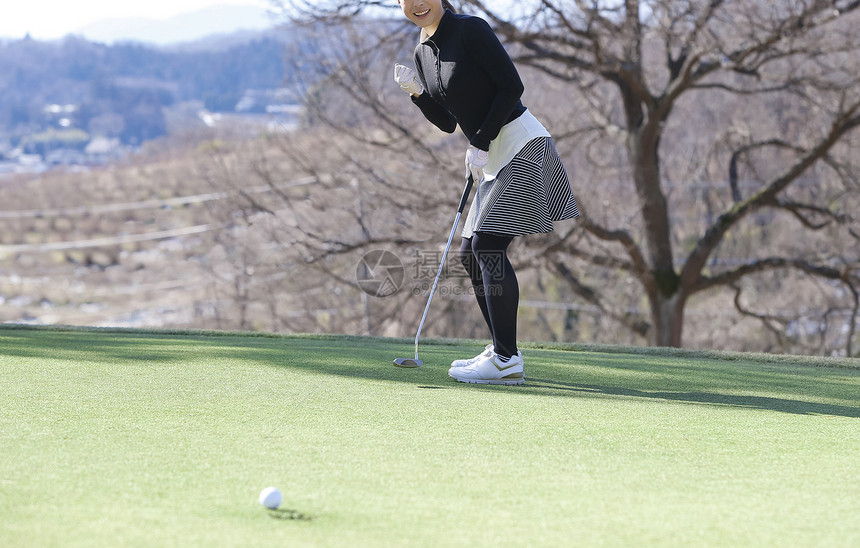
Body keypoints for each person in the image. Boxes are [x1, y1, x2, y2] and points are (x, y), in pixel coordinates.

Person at [394, 0, 579, 385]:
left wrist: (480, 139)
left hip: (522, 143)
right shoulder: (422, 53)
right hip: (491, 154)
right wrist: (416, 93)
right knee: (470, 255)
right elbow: (447, 122)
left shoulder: (470, 29)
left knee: (488, 245)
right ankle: (500, 352)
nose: (416, 3)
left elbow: (512, 86)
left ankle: (507, 359)